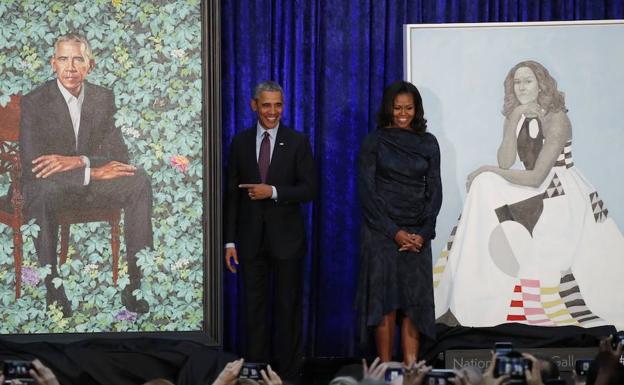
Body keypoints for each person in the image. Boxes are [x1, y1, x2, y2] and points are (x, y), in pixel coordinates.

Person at [434, 60, 624, 328]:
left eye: (528, 81)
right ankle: (468, 293)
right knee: (484, 185)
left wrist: (486, 169)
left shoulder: (557, 118)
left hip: (559, 193)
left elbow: (537, 178)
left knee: (487, 180)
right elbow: (505, 162)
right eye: (517, 81)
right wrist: (513, 119)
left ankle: (488, 294)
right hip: (530, 187)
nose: (521, 86)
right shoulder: (519, 115)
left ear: (541, 84)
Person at [19, 33, 153, 317]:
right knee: (43, 191)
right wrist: (93, 172)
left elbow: (119, 156)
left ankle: (135, 285)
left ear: (90, 66)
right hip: (50, 187)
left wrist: (79, 161)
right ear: (53, 63)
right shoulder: (34, 102)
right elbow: (35, 166)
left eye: (78, 59)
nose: (70, 67)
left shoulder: (103, 98)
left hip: (86, 182)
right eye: (64, 59)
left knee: (139, 180)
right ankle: (53, 289)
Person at [223, 81, 316, 381]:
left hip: (287, 241)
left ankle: (287, 376)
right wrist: (229, 242)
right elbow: (231, 196)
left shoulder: (298, 142)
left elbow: (309, 189)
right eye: (266, 105)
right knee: (254, 312)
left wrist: (272, 191)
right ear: (254, 105)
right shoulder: (239, 142)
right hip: (250, 242)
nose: (272, 111)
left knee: (288, 310)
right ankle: (256, 375)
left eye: (278, 105)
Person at [355, 81, 442, 364]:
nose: (403, 114)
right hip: (382, 233)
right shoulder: (374, 142)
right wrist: (395, 233)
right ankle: (386, 370)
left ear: (416, 110)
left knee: (414, 305)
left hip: (417, 234)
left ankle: (411, 372)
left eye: (408, 108)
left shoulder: (429, 143)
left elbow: (435, 191)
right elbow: (367, 193)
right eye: (397, 108)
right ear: (388, 109)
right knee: (385, 303)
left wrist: (424, 233)